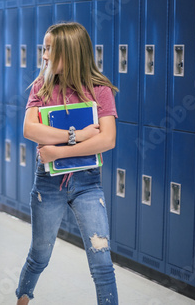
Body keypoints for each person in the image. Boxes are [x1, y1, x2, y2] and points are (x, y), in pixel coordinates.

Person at [16, 22, 119, 305]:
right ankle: (21, 300)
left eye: (51, 49)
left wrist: (58, 151)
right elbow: (30, 129)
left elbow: (107, 140)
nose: (44, 55)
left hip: (87, 184)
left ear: (71, 52)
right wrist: (78, 135)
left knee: (102, 262)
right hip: (48, 185)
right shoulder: (42, 86)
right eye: (44, 47)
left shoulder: (99, 90)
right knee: (40, 254)